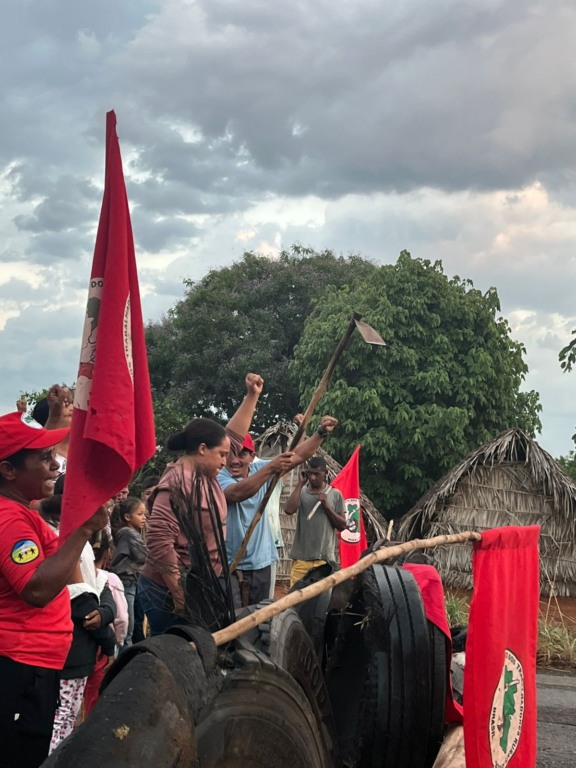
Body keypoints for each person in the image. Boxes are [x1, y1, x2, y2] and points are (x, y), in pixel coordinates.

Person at [0, 411, 107, 768]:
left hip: (31, 664)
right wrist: (82, 532)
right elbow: (36, 589)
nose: (55, 465)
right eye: (44, 458)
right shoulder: (9, 520)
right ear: (8, 471)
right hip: (18, 667)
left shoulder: (21, 511)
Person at [140, 373, 264, 634]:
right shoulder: (174, 483)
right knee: (177, 656)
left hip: (200, 583)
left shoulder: (206, 473)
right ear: (202, 449)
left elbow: (233, 436)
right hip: (168, 591)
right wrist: (179, 596)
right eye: (221, 454)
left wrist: (252, 396)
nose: (226, 460)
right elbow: (160, 542)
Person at [217, 416, 339, 605]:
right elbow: (237, 493)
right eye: (229, 454)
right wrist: (271, 469)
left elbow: (298, 456)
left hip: (262, 563)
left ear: (252, 455)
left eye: (242, 454)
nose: (234, 460)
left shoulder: (261, 468)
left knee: (262, 617)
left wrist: (320, 433)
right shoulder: (219, 477)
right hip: (231, 566)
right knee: (232, 621)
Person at [285, 455, 347, 587]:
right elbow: (289, 510)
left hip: (324, 562)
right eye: (310, 474)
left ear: (325, 473)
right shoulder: (302, 492)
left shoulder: (335, 494)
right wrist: (300, 484)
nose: (313, 478)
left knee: (320, 602)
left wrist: (326, 507)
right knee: (293, 601)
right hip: (301, 559)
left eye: (317, 474)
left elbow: (342, 525)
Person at [109, 497, 148, 645]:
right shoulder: (128, 533)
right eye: (140, 514)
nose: (144, 518)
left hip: (133, 581)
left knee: (136, 619)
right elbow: (143, 555)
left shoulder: (128, 532)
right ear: (127, 517)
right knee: (128, 628)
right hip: (126, 581)